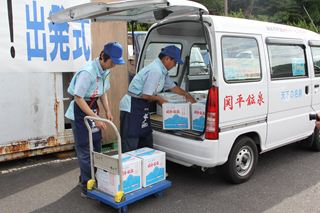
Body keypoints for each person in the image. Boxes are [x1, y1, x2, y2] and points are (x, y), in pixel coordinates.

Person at [65, 42, 125, 197]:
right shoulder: (88, 72)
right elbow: (78, 98)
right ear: (103, 57)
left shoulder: (105, 70)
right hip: (81, 110)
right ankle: (86, 185)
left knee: (96, 144)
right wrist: (96, 118)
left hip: (93, 107)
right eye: (112, 62)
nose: (113, 66)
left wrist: (107, 111)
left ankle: (92, 177)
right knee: (85, 148)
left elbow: (103, 92)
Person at [119, 45, 196, 152]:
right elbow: (146, 95)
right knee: (131, 141)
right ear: (167, 58)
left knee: (146, 140)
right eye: (175, 62)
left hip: (142, 106)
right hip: (132, 106)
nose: (174, 65)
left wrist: (187, 95)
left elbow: (173, 87)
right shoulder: (156, 70)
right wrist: (160, 100)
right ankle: (129, 167)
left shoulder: (162, 71)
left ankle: (146, 165)